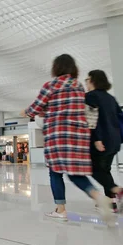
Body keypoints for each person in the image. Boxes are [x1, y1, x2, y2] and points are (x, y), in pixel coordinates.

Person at [21, 54, 113, 222]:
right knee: (74, 172)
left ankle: (60, 209)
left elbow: (36, 107)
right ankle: (98, 196)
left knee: (55, 171)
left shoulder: (51, 85)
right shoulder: (78, 86)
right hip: (78, 136)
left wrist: (25, 112)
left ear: (56, 68)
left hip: (58, 135)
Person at [85, 70, 123, 213]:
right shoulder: (111, 98)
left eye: (87, 79)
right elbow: (120, 119)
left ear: (93, 80)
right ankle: (111, 204)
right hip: (114, 141)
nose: (86, 82)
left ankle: (119, 190)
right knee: (105, 171)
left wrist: (97, 138)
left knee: (91, 168)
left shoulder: (90, 96)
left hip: (100, 141)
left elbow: (91, 119)